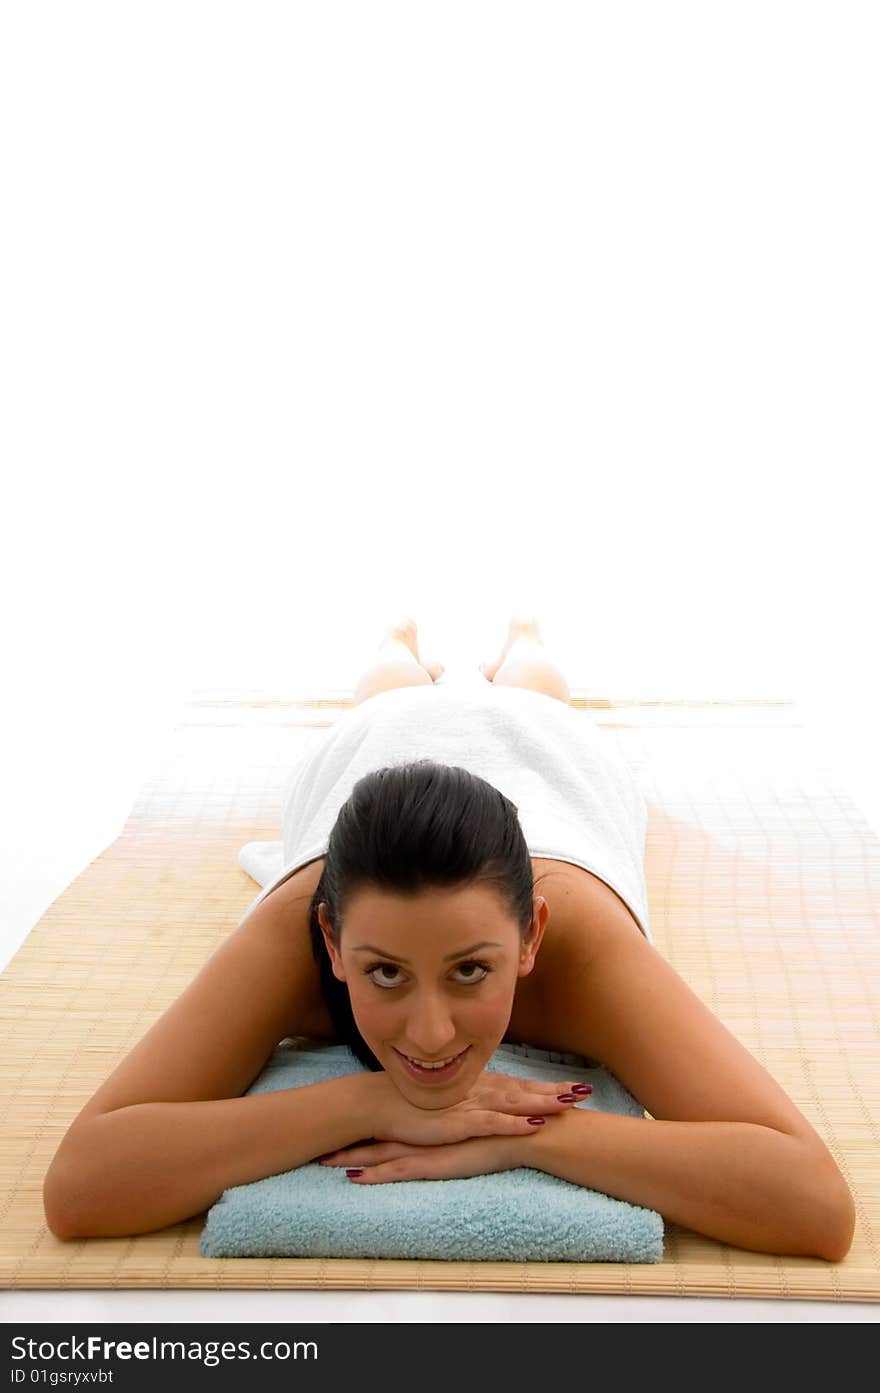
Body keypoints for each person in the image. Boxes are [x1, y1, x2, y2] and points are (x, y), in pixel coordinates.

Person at [42, 617, 855, 1260]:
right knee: (385, 697)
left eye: (471, 969)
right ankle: (399, 639)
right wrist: (365, 1099)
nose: (430, 1035)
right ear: (331, 938)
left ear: (531, 934)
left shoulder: (583, 949)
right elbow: (81, 1185)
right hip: (378, 744)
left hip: (553, 757)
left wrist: (528, 1136)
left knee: (536, 695)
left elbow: (816, 1204)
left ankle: (525, 634)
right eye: (385, 973)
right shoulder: (294, 929)